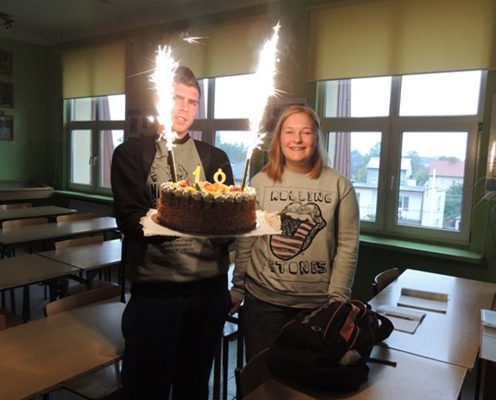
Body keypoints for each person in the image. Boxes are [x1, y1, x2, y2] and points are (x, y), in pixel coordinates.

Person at [111, 66, 234, 399]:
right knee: (145, 388)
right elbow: (129, 219)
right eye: (177, 98)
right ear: (159, 100)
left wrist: (229, 231)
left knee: (193, 387)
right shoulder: (131, 154)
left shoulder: (215, 157)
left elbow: (227, 226)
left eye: (192, 102)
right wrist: (180, 220)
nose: (184, 108)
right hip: (156, 294)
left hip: (208, 292)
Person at [230, 105, 360, 360]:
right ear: (279, 138)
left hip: (317, 306)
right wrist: (238, 288)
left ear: (317, 137)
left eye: (306, 132)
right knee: (262, 378)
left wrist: (337, 301)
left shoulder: (339, 186)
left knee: (307, 379)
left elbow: (348, 246)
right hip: (263, 304)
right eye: (289, 132)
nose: (297, 139)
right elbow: (247, 240)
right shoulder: (260, 182)